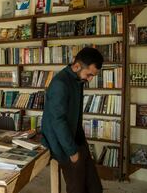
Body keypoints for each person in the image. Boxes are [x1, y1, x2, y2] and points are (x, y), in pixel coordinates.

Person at [41, 47, 104, 193]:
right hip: (62, 144)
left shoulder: (77, 79)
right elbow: (58, 122)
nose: (90, 79)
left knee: (95, 186)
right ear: (76, 66)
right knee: (77, 187)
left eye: (93, 76)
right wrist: (72, 152)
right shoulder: (60, 84)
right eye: (89, 74)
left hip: (76, 137)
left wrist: (81, 143)